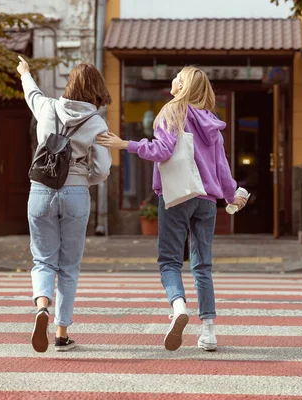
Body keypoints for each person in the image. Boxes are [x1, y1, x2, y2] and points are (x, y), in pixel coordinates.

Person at [97, 66, 247, 352]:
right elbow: (222, 170)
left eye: (178, 76)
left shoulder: (172, 112)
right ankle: (209, 331)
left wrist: (124, 144)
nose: (173, 79)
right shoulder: (213, 123)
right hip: (207, 201)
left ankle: (179, 307)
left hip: (176, 195)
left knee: (169, 261)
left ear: (184, 85)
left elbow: (161, 151)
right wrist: (230, 197)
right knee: (203, 264)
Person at [17, 56, 112, 353]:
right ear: (94, 89)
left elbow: (31, 93)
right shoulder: (96, 122)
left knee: (43, 259)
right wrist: (85, 180)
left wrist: (25, 72)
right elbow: (103, 168)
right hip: (76, 194)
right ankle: (61, 332)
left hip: (40, 191)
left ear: (69, 85)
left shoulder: (46, 107)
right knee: (69, 266)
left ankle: (42, 307)